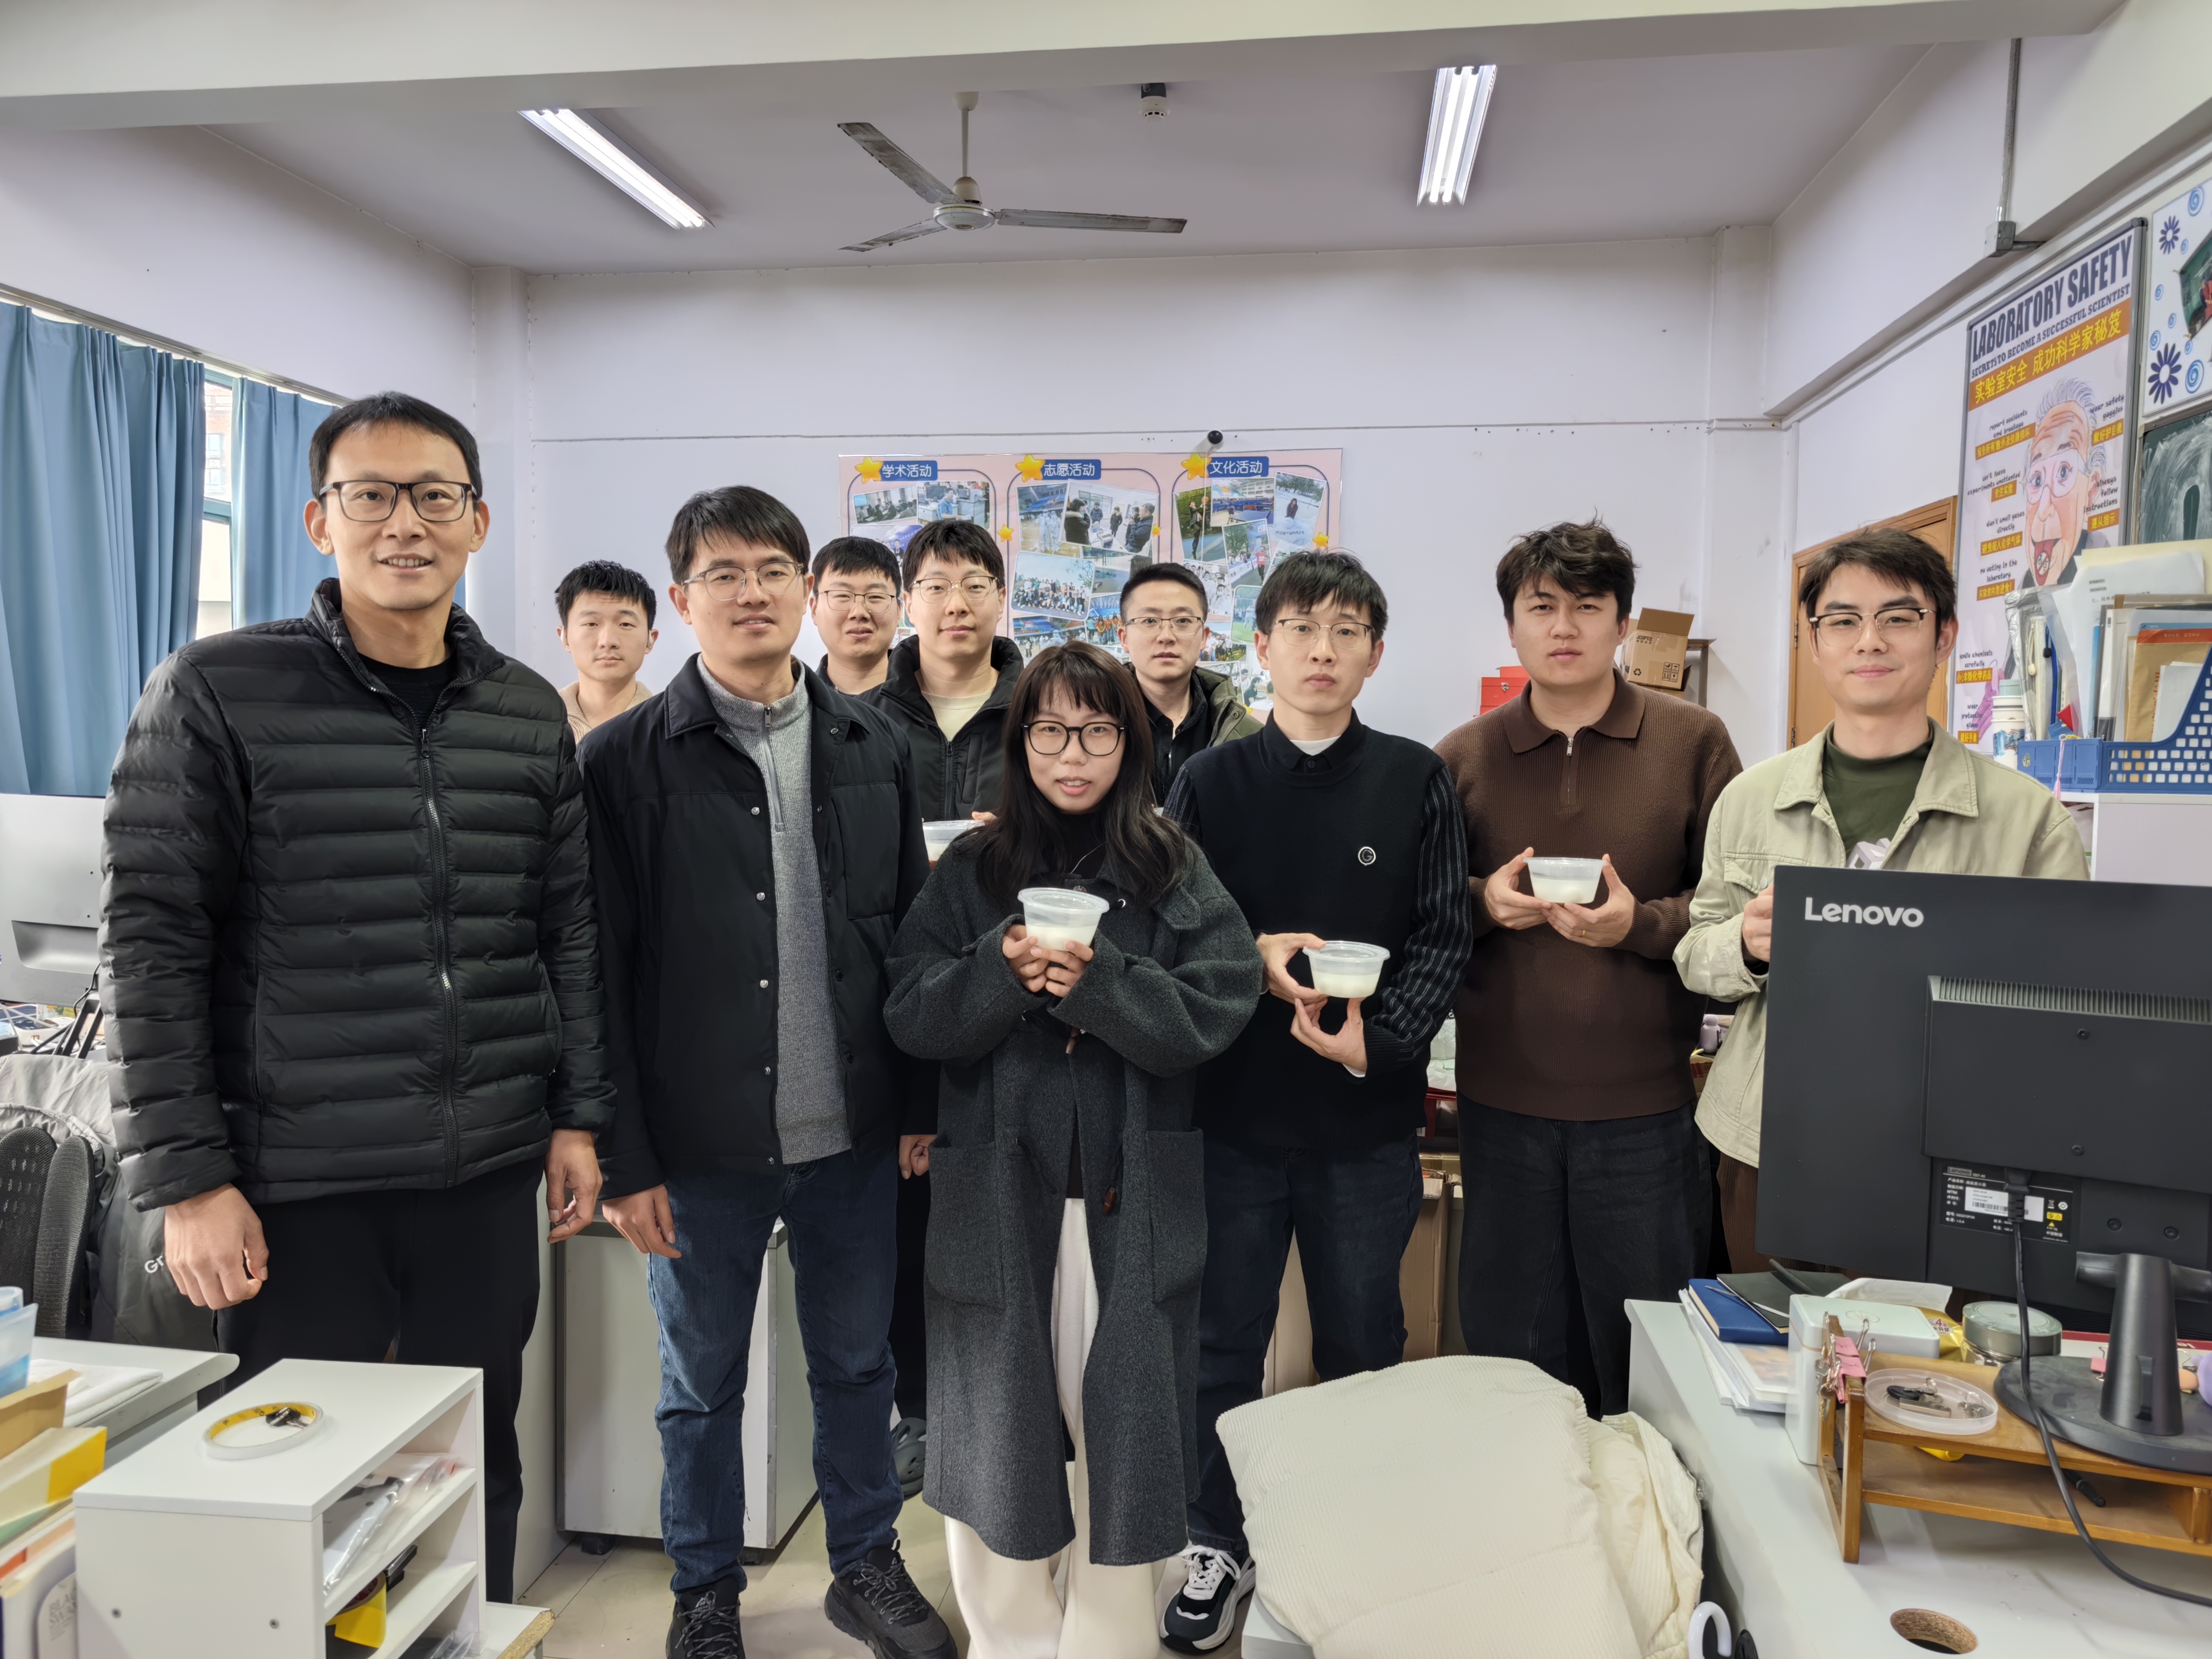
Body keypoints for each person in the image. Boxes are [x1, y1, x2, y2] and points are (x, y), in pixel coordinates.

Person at [101, 391, 611, 1602]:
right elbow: (151, 944)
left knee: (472, 1466)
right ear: (318, 520)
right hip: (297, 1182)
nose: (404, 524)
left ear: (477, 520)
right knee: (299, 1488)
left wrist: (578, 1116)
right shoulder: (216, 690)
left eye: (434, 496)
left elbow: (566, 931)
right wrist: (189, 1180)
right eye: (370, 495)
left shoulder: (525, 711)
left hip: (483, 1172)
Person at [582, 486, 952, 1659]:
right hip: (697, 1147)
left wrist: (918, 1102)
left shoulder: (875, 745)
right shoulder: (622, 761)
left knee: (856, 1365)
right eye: (724, 574)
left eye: (773, 570)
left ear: (807, 589)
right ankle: (704, 1592)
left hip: (853, 1132)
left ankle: (864, 1563)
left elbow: (912, 938)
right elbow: (597, 973)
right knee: (700, 1386)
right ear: (681, 599)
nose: (752, 593)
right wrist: (623, 1157)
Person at [885, 643, 1261, 1659]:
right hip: (997, 1195)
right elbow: (911, 1008)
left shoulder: (1172, 866)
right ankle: (1010, 1642)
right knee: (993, 1432)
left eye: (1098, 731)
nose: (1073, 754)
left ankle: (1109, 1643)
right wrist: (998, 971)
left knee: (1125, 1444)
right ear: (1021, 742)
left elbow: (1221, 1000)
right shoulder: (974, 871)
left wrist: (1102, 985)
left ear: (1129, 744)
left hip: (1129, 1198)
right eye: (1050, 730)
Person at [1162, 551, 1472, 1651]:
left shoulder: (1414, 778)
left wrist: (1375, 1046)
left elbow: (1443, 934)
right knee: (1220, 1342)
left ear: (1374, 654)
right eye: (1299, 629)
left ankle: (1351, 1543)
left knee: (1363, 1339)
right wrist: (1246, 959)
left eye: (1346, 631)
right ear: (1261, 647)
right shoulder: (1209, 781)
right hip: (1231, 1119)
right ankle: (1216, 1540)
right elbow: (1165, 928)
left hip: (1362, 1125)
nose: (1322, 650)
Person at [1678, 527, 2088, 1273]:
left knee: (1934, 1346)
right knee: (1772, 1338)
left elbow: (2072, 1000)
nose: (1869, 640)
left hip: (1952, 1148)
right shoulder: (1750, 799)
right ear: (1814, 642)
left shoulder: (2024, 817)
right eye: (1842, 621)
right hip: (1772, 1139)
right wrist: (1744, 944)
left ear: (1944, 636)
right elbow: (1695, 950)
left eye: (1898, 617)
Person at [1434, 520, 1741, 1416]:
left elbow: (1732, 905)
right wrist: (1484, 902)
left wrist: (1636, 925)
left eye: (1587, 606)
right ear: (1512, 627)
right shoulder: (1462, 757)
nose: (1563, 627)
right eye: (1541, 607)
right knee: (1513, 1350)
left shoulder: (1694, 743)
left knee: (1645, 1356)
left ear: (1622, 624)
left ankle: (1649, 1508)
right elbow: (1421, 909)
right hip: (1502, 1107)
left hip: (1645, 1111)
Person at [872, 517, 1024, 822]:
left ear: (1001, 600)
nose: (957, 605)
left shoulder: (1039, 714)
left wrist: (1022, 838)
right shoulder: (865, 722)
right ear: (909, 605)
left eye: (975, 586)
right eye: (936, 587)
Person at [1116, 563, 1260, 803]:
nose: (1166, 636)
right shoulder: (1092, 722)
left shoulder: (1247, 736)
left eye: (1183, 620)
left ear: (1204, 637)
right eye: (1149, 620)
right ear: (1124, 638)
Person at [555, 558, 659, 740]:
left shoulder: (670, 726)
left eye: (625, 624)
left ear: (650, 640)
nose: (608, 641)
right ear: (564, 636)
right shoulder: (537, 721)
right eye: (591, 624)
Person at [810, 534, 903, 696]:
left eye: (875, 596)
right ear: (814, 610)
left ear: (899, 612)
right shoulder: (796, 704)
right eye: (842, 596)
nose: (859, 613)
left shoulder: (929, 698)